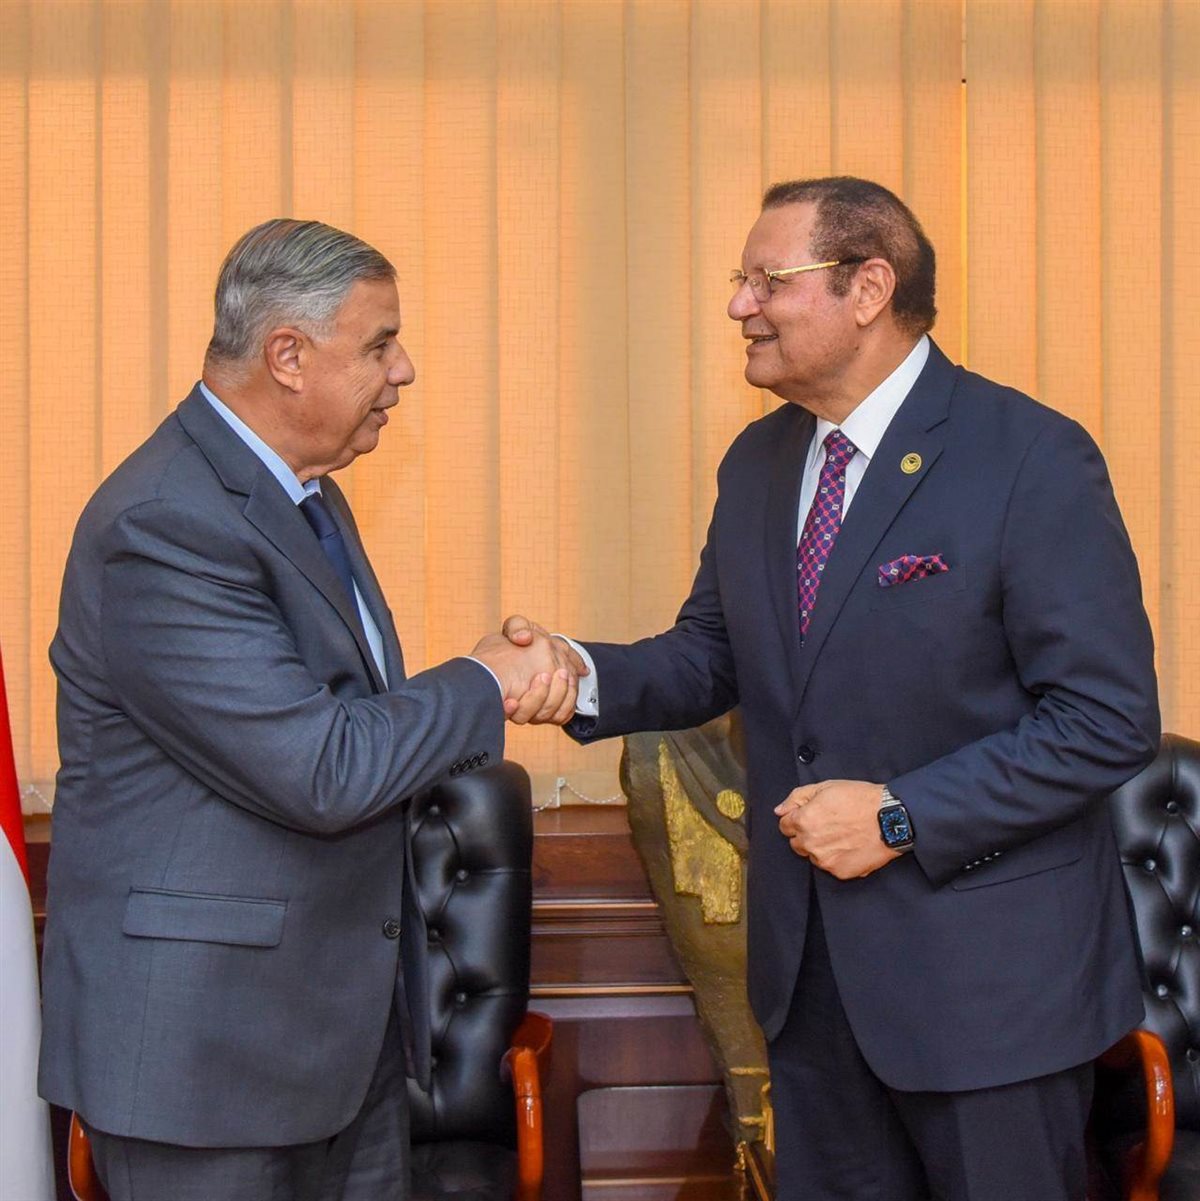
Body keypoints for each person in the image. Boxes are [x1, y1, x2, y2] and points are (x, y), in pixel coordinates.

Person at [505, 177, 1160, 1200]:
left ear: (868, 288)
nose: (740, 306)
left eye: (768, 280)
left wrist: (901, 815)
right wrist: (574, 674)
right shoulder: (759, 462)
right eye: (739, 281)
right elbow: (709, 656)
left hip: (990, 998)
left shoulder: (1028, 455)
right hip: (809, 987)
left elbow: (1105, 719)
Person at [38, 218, 577, 1201]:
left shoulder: (306, 497)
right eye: (379, 343)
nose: (403, 369)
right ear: (287, 355)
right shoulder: (164, 523)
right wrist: (484, 678)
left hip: (337, 1046)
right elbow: (321, 768)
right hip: (205, 1066)